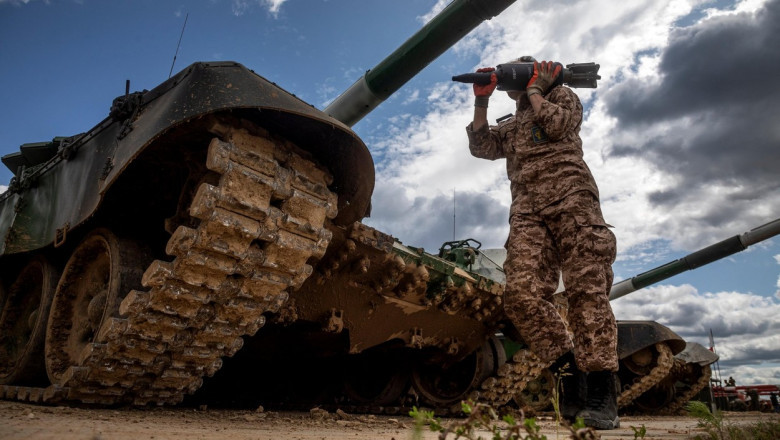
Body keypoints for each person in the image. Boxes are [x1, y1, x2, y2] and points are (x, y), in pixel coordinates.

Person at [465, 58, 619, 430]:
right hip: (528, 213)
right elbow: (482, 147)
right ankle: (569, 375)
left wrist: (537, 89)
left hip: (572, 202)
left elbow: (558, 125)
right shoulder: (514, 122)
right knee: (521, 296)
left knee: (587, 292)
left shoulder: (561, 96)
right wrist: (482, 100)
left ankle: (602, 394)